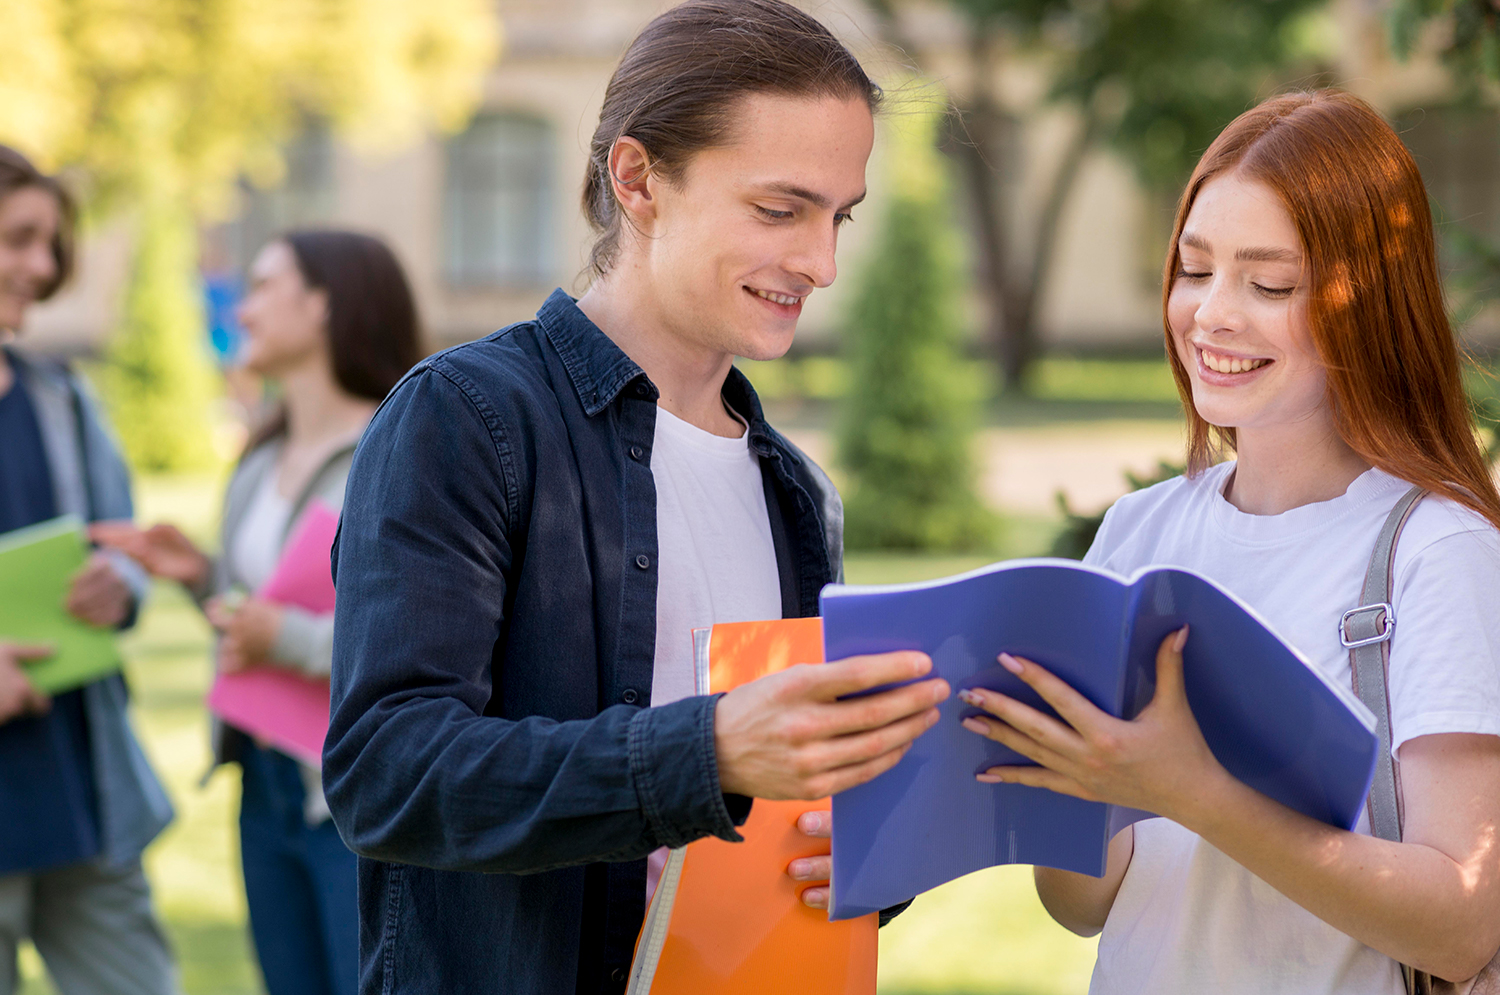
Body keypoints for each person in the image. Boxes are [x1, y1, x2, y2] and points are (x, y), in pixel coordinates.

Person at [321, 1, 951, 992]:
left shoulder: (795, 491)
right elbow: (388, 774)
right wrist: (706, 749)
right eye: (780, 209)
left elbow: (790, 809)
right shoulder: (466, 419)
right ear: (638, 177)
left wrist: (876, 845)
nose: (822, 263)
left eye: (840, 216)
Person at [958, 89, 1500, 993]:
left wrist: (1193, 791)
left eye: (1269, 282)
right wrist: (1062, 780)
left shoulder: (1439, 551)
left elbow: (1462, 925)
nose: (1211, 313)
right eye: (1194, 268)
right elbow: (1086, 905)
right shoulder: (1141, 530)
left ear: (1366, 302)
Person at [95, 231, 421, 995]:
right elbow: (269, 603)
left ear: (324, 305)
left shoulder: (403, 445)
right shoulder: (261, 451)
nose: (240, 308)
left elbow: (426, 639)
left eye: (264, 286)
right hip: (266, 782)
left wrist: (287, 640)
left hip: (355, 792)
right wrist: (200, 576)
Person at [0, 146, 176, 995]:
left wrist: (123, 584)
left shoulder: (60, 399)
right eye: (19, 237)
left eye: (51, 244)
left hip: (78, 784)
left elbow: (123, 545)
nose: (42, 266)